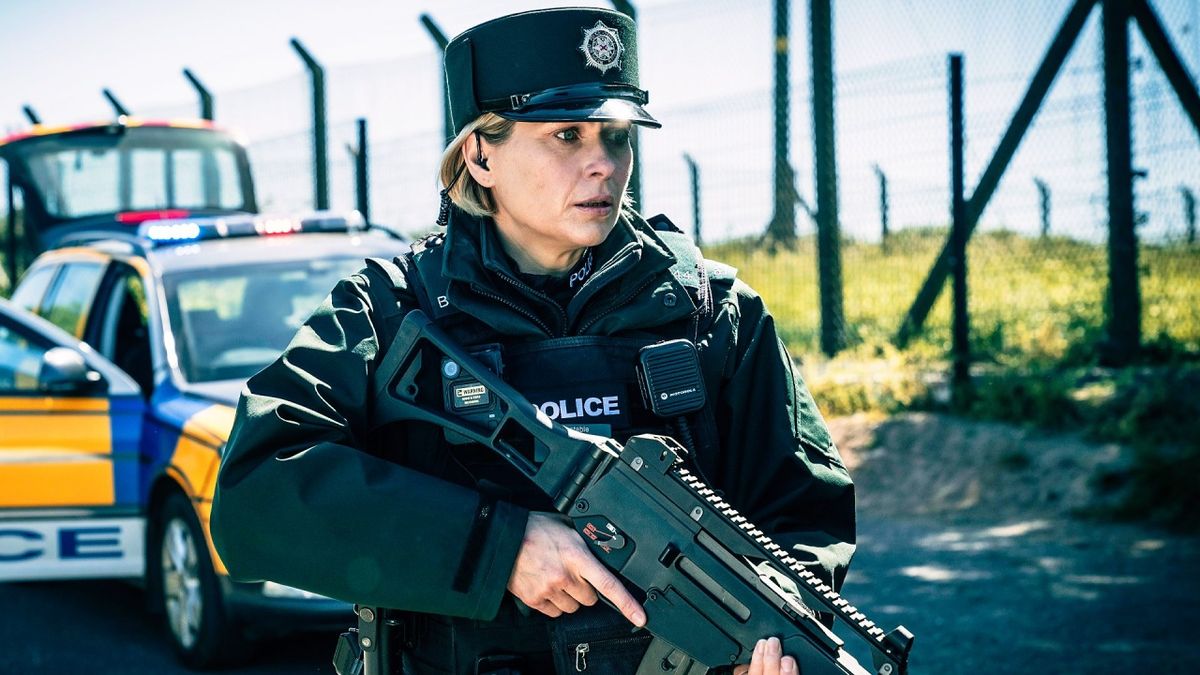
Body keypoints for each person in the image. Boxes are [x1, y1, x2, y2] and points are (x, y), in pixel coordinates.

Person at [211, 7, 855, 675]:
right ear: (480, 155)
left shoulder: (714, 313)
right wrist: (499, 547)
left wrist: (776, 626)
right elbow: (256, 493)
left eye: (616, 135)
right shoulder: (387, 313)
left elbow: (805, 514)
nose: (603, 163)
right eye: (567, 135)